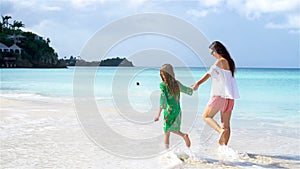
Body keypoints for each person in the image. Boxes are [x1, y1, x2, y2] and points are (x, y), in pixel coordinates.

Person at [191, 41, 240, 145]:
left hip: (220, 96)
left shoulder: (220, 62)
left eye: (211, 52)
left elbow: (208, 74)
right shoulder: (230, 62)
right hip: (230, 98)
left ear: (217, 51)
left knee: (206, 116)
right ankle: (224, 148)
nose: (212, 55)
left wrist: (197, 84)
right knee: (226, 125)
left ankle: (219, 131)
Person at [154, 64, 193, 149]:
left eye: (163, 75)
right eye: (161, 75)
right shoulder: (177, 84)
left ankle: (166, 152)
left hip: (169, 111)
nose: (163, 77)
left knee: (166, 132)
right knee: (173, 128)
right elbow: (187, 91)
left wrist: (158, 114)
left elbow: (162, 100)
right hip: (177, 110)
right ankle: (184, 135)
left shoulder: (163, 85)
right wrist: (193, 88)